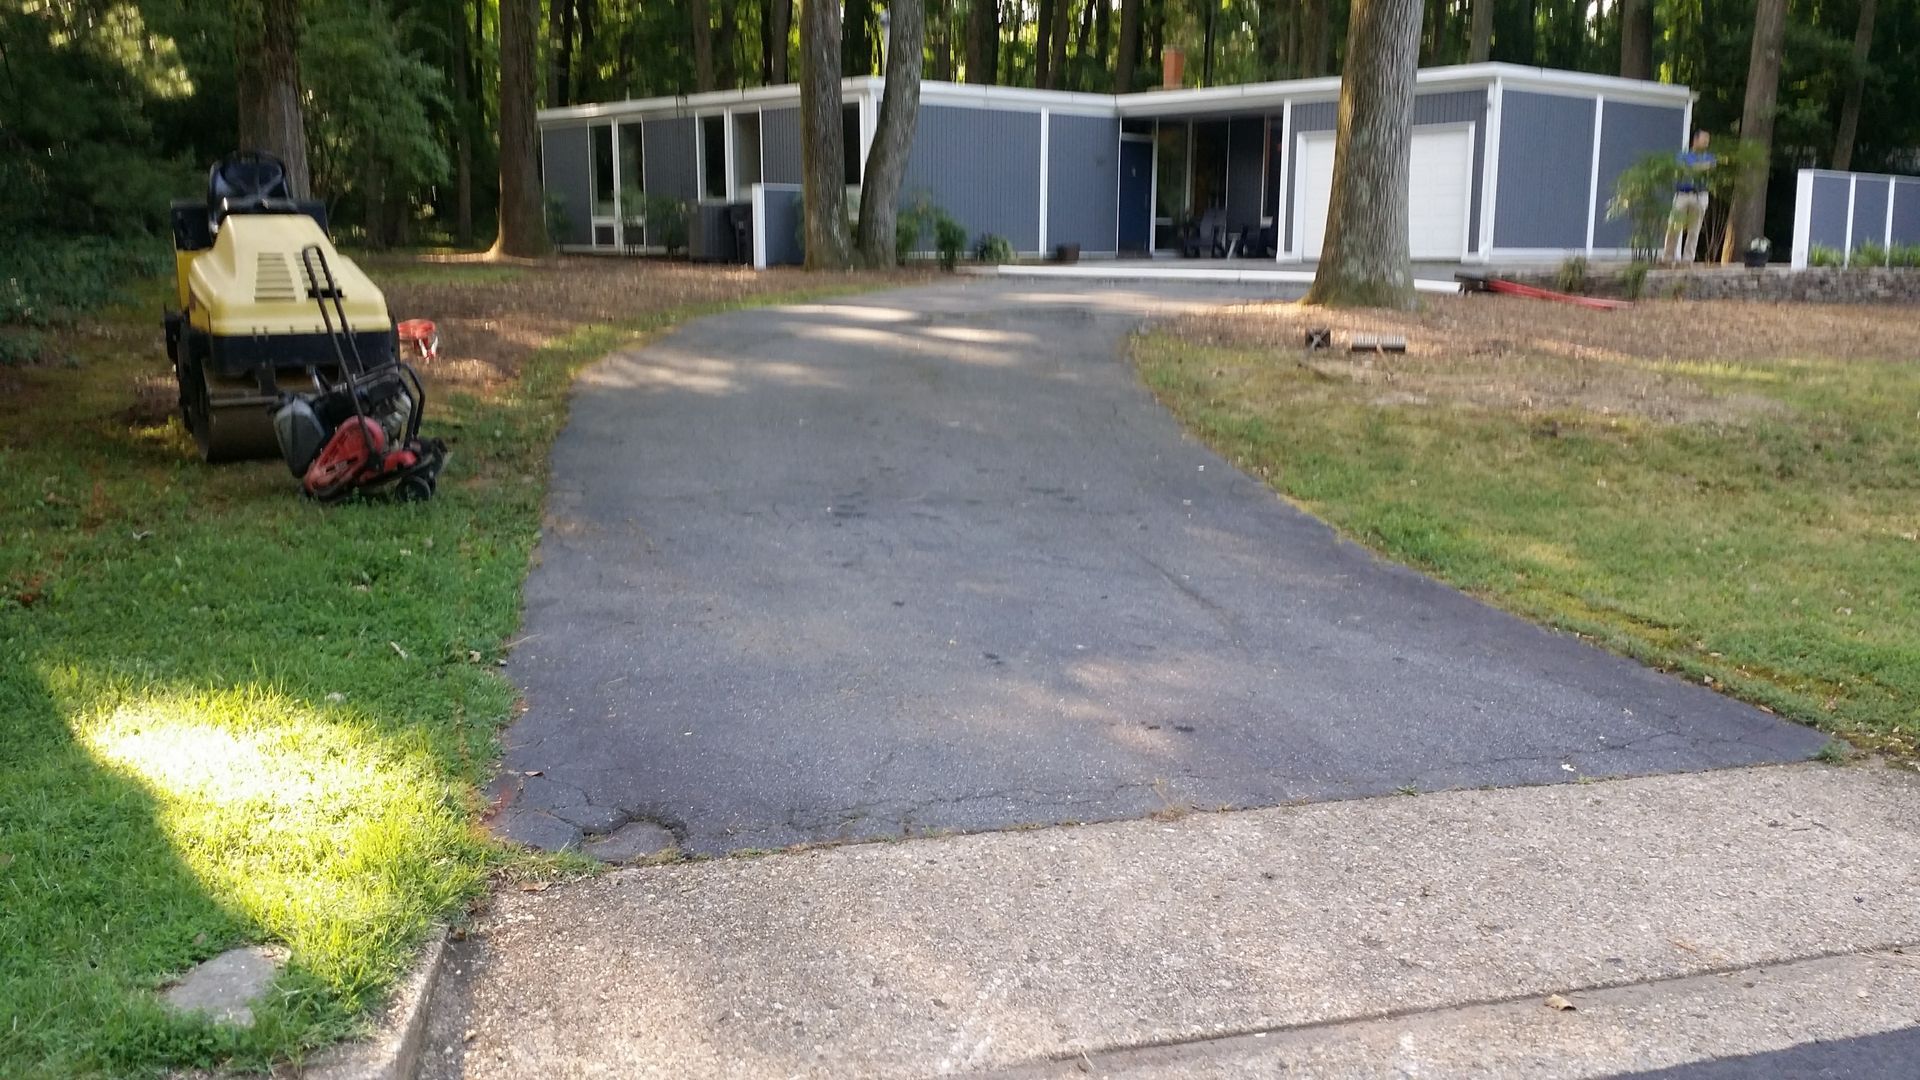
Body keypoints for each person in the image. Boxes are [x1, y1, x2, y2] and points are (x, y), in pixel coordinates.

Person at [1663, 130, 1715, 263]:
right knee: (1674, 226)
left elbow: (1711, 167)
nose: (1706, 143)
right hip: (1682, 194)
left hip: (1700, 195)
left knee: (1694, 229)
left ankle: (1688, 259)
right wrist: (1701, 167)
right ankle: (1668, 257)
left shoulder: (1710, 157)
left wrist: (1696, 167)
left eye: (1707, 141)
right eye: (1704, 140)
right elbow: (1685, 169)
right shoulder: (1683, 155)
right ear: (1695, 140)